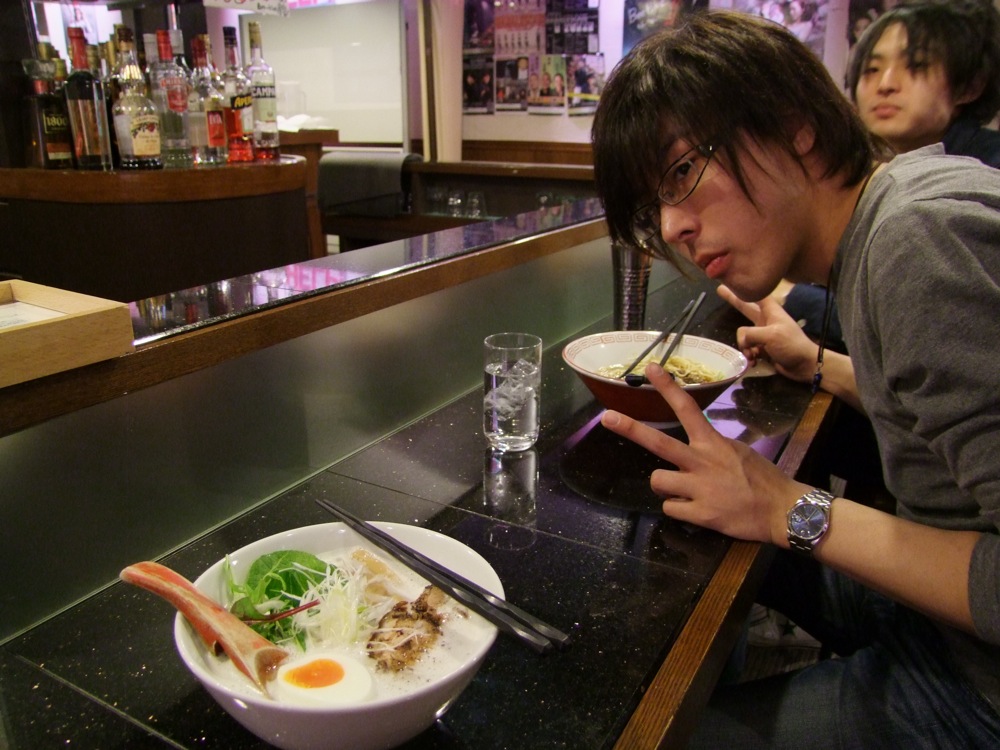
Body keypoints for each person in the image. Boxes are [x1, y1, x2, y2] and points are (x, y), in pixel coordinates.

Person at [591, 10, 1000, 748]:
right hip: (943, 608)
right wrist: (816, 362)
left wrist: (786, 506)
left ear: (795, 127)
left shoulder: (916, 241)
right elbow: (933, 409)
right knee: (694, 528)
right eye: (655, 209)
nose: (673, 227)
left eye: (681, 173)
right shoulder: (891, 214)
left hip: (978, 686)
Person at [786, 0, 1000, 349]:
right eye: (871, 69)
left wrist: (792, 296)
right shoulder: (881, 171)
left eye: (916, 65)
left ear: (970, 86)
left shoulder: (979, 181)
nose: (885, 85)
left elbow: (917, 318)